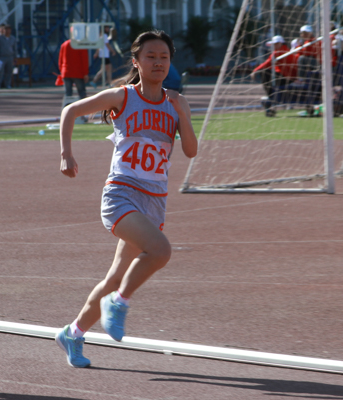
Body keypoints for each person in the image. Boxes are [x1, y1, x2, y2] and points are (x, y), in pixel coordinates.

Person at [55, 30, 198, 368]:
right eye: (151, 56)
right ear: (136, 62)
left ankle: (73, 333)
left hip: (154, 200)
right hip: (121, 193)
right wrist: (66, 154)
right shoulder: (122, 96)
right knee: (160, 251)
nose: (158, 62)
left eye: (164, 57)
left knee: (115, 277)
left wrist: (183, 114)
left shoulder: (176, 101)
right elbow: (70, 111)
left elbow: (191, 151)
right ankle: (118, 303)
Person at [0, 24, 16, 89]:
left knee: (9, 71)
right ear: (3, 30)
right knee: (0, 71)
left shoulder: (13, 38)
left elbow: (15, 48)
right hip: (2, 57)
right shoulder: (0, 38)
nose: (7, 31)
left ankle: (7, 84)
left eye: (8, 29)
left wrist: (15, 57)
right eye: (6, 29)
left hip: (10, 57)